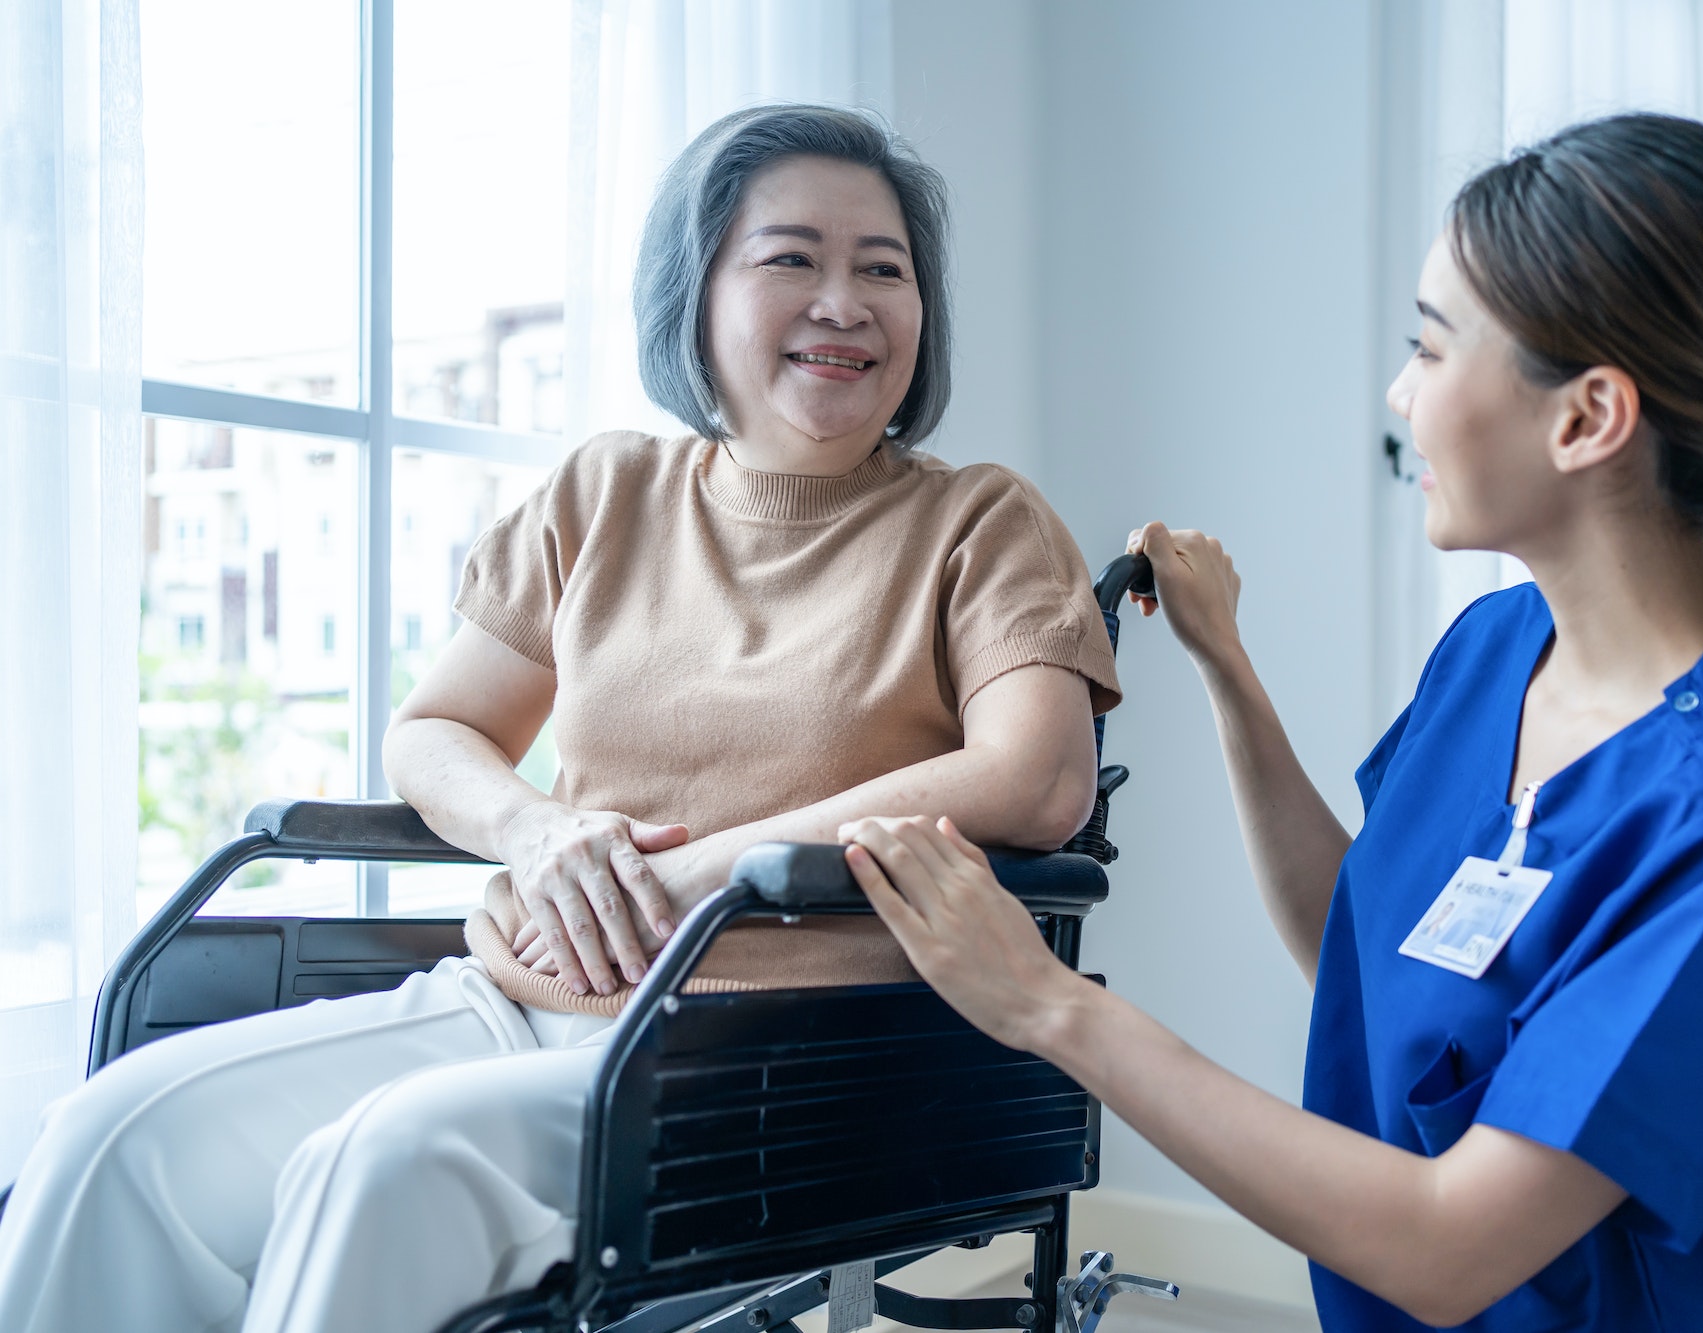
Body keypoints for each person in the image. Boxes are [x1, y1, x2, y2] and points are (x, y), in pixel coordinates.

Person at [842, 113, 1703, 1330]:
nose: (1399, 394)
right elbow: (1363, 950)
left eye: (1429, 350)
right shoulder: (1496, 652)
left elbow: (1450, 1245)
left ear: (1587, 418)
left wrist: (1052, 1009)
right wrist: (1228, 672)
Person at [0, 104, 1119, 1333]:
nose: (842, 301)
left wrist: (704, 869)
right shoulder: (606, 493)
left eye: (883, 269)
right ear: (693, 295)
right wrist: (534, 832)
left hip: (781, 1047)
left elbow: (1035, 776)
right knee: (112, 1138)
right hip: (508, 1001)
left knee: (385, 1161)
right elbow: (434, 731)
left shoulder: (980, 521)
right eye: (790, 257)